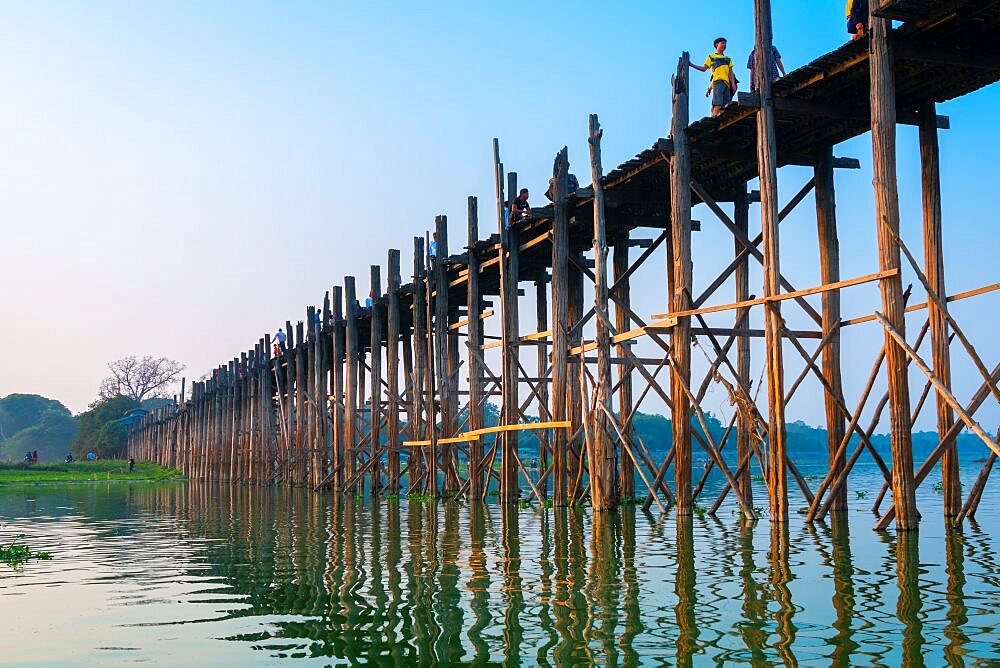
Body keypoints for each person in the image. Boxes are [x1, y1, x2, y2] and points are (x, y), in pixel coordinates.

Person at [690, 37, 738, 117]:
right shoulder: (711, 57)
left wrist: (733, 84)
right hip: (718, 82)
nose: (724, 45)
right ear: (717, 45)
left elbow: (730, 73)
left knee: (726, 106)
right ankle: (714, 118)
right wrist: (692, 65)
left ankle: (722, 120)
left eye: (725, 43)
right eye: (722, 43)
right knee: (717, 104)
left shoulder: (728, 59)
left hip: (727, 84)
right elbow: (704, 69)